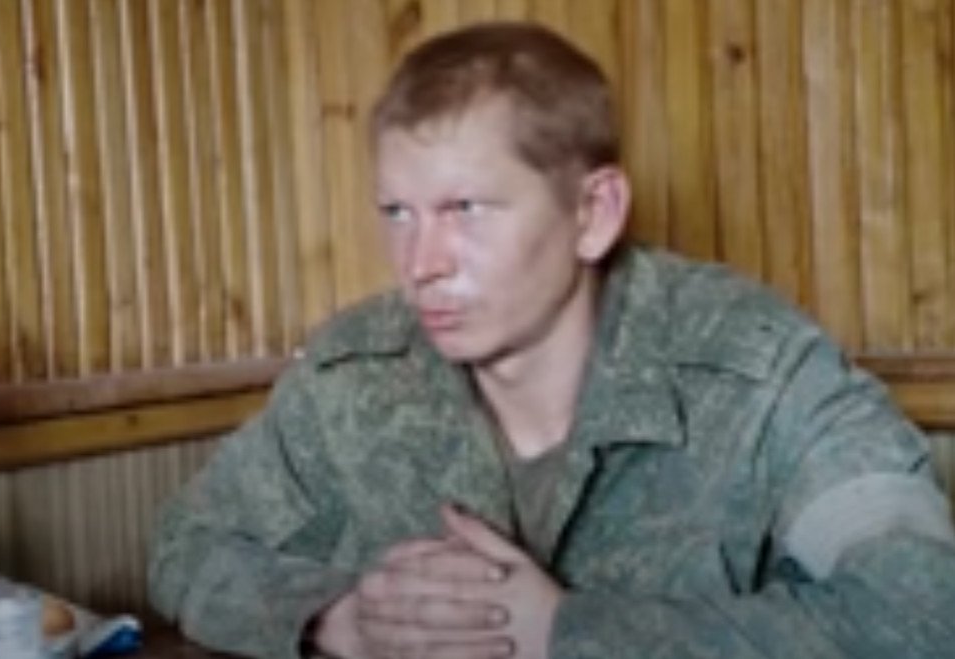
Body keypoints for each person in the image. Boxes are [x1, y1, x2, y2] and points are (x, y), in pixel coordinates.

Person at [147, 21, 955, 659]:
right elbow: (186, 545)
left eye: (465, 209)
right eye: (397, 213)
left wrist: (567, 631)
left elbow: (926, 609)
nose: (421, 264)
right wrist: (339, 619)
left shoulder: (758, 368)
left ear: (593, 213)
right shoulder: (350, 374)